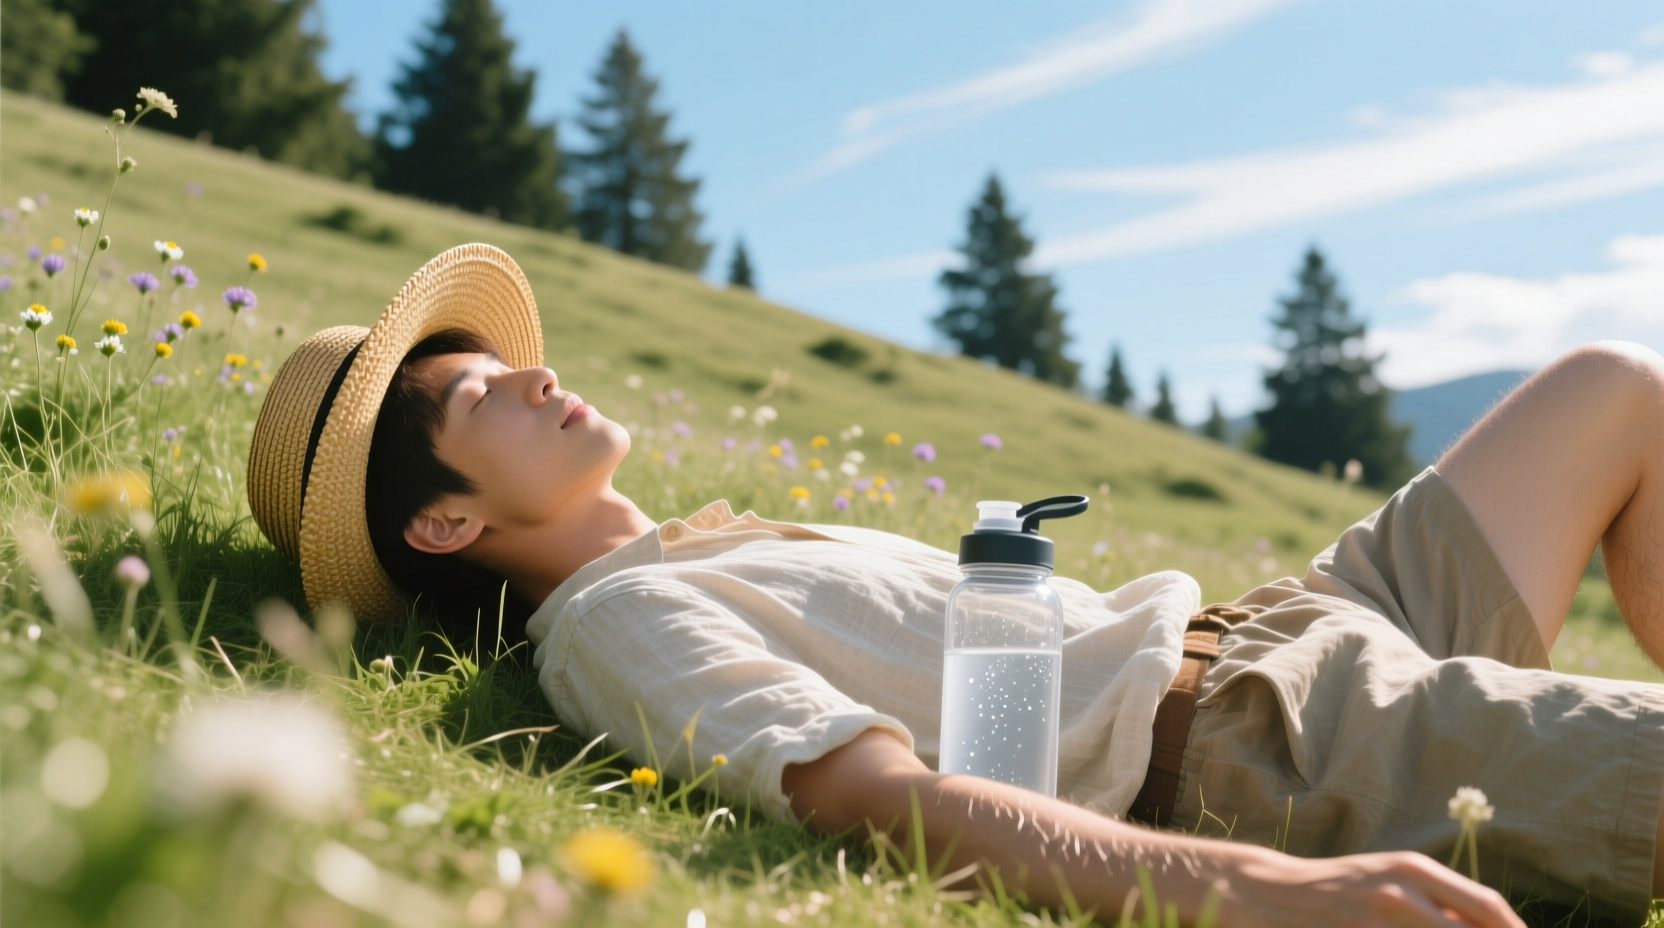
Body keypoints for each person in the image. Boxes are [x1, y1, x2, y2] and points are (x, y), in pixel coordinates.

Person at [249, 245, 1664, 927]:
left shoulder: (694, 545)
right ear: (442, 525)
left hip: (1280, 630)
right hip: (1260, 746)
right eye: (486, 393)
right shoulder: (615, 625)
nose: (541, 372)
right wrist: (1252, 889)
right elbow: (870, 798)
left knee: (1612, 395)